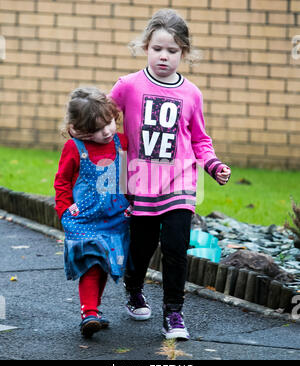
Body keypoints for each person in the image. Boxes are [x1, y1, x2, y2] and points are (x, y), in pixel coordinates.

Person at [109, 8, 231, 341]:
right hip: (139, 183)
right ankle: (134, 287)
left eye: (173, 50)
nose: (164, 56)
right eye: (157, 48)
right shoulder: (128, 86)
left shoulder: (191, 93)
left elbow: (200, 139)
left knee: (176, 246)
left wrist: (213, 165)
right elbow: (103, 119)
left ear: (184, 53)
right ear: (145, 46)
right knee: (141, 246)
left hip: (180, 182)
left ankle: (173, 314)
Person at [54, 87, 131, 338]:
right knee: (91, 264)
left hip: (115, 217)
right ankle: (88, 312)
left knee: (105, 262)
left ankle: (93, 311)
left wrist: (131, 200)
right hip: (84, 219)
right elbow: (62, 181)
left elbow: (129, 175)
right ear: (81, 129)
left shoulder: (122, 142)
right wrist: (64, 210)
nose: (107, 131)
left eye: (109, 123)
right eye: (98, 129)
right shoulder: (74, 148)